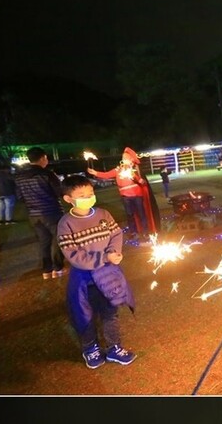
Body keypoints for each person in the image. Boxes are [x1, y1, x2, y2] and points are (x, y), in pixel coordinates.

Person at [57, 175, 136, 369]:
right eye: (82, 195)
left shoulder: (103, 214)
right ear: (68, 199)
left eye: (90, 193)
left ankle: (114, 348)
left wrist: (114, 252)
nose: (88, 197)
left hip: (109, 274)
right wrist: (102, 259)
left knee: (111, 311)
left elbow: (116, 233)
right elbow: (73, 254)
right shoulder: (65, 224)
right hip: (85, 279)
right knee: (85, 314)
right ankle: (90, 348)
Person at [13, 146, 65, 280]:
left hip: (33, 214)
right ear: (42, 158)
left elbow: (19, 197)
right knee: (58, 239)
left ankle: (46, 270)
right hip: (51, 212)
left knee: (44, 241)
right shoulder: (47, 174)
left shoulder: (19, 176)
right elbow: (59, 192)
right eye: (46, 157)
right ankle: (57, 268)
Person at [87, 147, 159, 238]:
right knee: (130, 215)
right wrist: (95, 173)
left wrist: (136, 177)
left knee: (141, 214)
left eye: (126, 158)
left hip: (137, 195)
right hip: (125, 197)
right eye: (123, 158)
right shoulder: (118, 170)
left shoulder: (135, 170)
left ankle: (145, 232)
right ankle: (134, 232)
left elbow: (142, 182)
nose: (124, 160)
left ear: (130, 160)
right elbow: (107, 175)